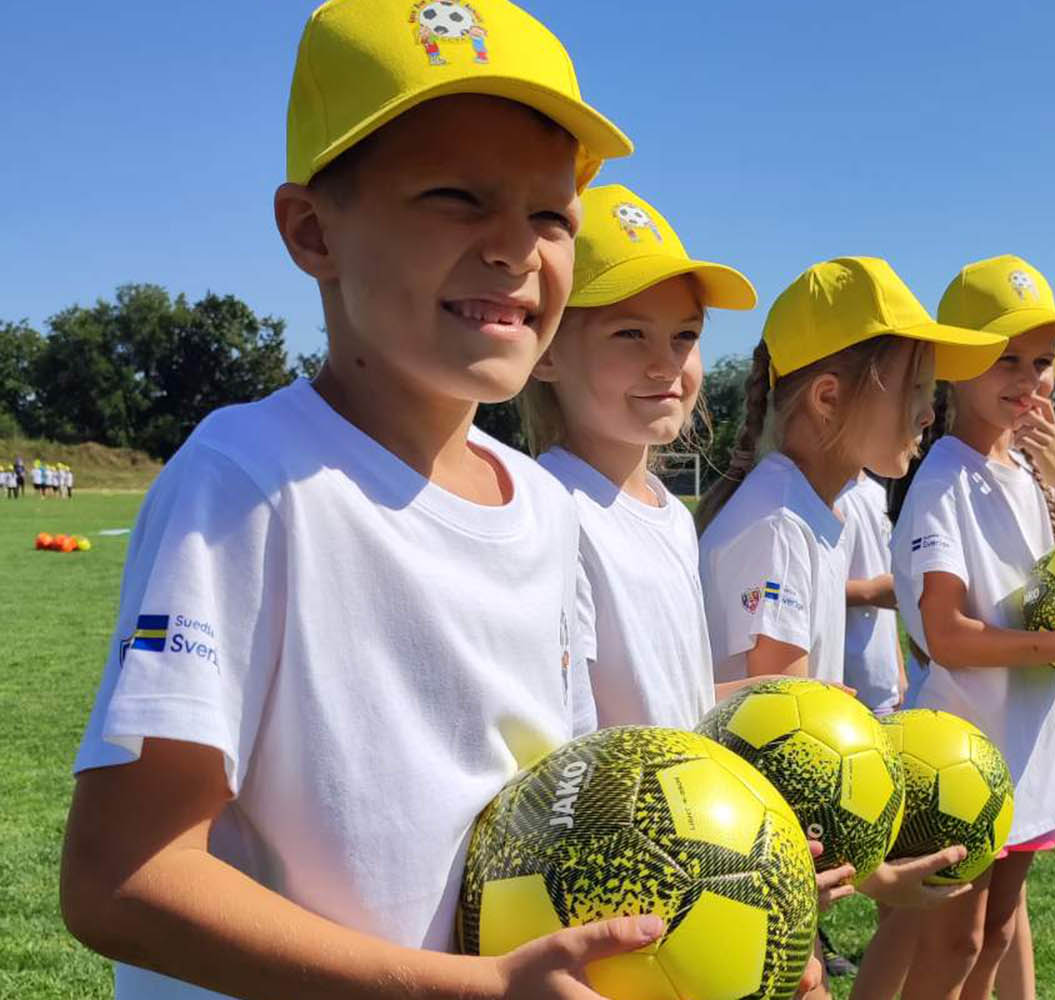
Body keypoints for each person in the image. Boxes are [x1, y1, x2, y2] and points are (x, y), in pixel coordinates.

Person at [57, 4, 668, 998]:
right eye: (457, 197)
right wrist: (467, 989)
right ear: (312, 230)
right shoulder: (250, 481)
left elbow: (539, 820)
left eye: (552, 214)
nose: (517, 248)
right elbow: (122, 876)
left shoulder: (551, 517)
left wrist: (728, 887)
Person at [697, 258, 1013, 996]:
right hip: (747, 879)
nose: (929, 414)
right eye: (914, 390)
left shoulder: (812, 512)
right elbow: (770, 747)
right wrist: (870, 875)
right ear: (830, 398)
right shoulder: (779, 522)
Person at [864, 255, 1055, 1000]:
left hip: (1027, 741)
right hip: (961, 754)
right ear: (955, 365)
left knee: (998, 931)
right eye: (1005, 359)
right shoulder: (943, 477)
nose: (1029, 380)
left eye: (1043, 362)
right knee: (955, 943)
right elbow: (947, 635)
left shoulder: (1029, 470)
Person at [523, 182, 758, 734]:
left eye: (684, 335)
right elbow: (567, 736)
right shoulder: (551, 515)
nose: (666, 364)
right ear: (547, 352)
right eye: (630, 333)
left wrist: (780, 697)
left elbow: (671, 700)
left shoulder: (671, 515)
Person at [838, 471, 905, 716]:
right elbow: (812, 587)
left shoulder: (878, 493)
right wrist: (870, 592)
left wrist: (898, 668)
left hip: (883, 683)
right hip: (845, 685)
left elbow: (888, 592)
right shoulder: (828, 494)